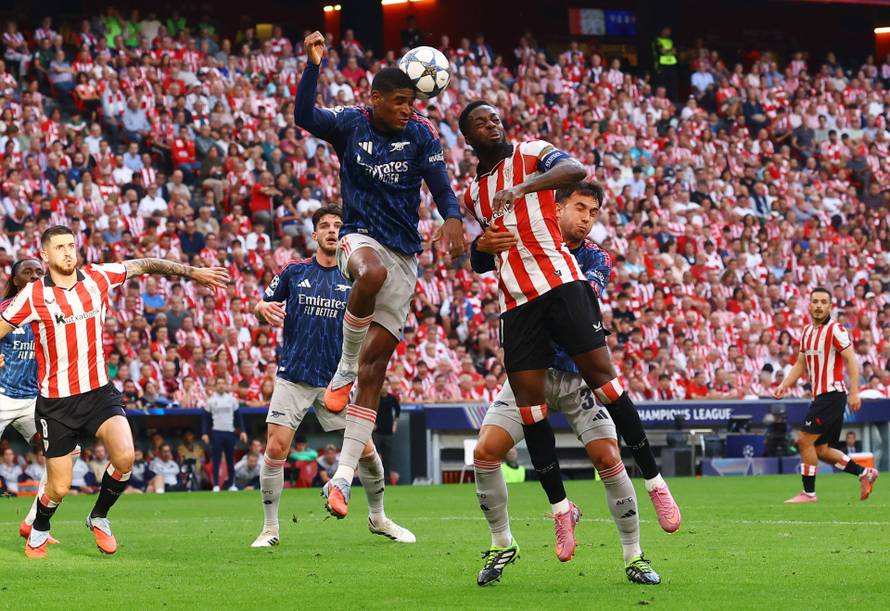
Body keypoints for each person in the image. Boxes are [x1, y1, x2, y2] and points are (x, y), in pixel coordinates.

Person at [459, 101, 677, 562]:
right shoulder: (474, 195)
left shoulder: (535, 157)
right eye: (482, 121)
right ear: (469, 138)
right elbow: (481, 258)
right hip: (517, 306)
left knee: (608, 401)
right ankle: (556, 513)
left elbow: (575, 167)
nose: (494, 123)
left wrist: (521, 187)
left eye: (498, 117)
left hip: (565, 329)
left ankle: (652, 494)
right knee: (515, 427)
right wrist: (481, 245)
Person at [295, 31, 465, 519]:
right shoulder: (350, 124)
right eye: (399, 102)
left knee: (377, 373)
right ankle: (343, 366)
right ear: (374, 100)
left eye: (413, 101)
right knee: (365, 275)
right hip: (361, 237)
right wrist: (313, 67)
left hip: (405, 256)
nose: (408, 109)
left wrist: (451, 217)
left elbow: (440, 185)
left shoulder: (422, 134)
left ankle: (343, 480)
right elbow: (305, 117)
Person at [469, 181, 660, 585]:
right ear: (554, 208)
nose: (587, 219)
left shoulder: (595, 258)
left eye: (593, 212)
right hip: (529, 376)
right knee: (484, 453)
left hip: (576, 379)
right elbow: (479, 259)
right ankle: (502, 542)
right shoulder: (523, 243)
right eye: (580, 208)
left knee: (609, 458)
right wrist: (480, 246)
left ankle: (634, 555)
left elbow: (580, 297)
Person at [0, 225, 229, 558]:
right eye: (60, 247)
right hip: (55, 404)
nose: (68, 252)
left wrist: (193, 272)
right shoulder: (33, 295)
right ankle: (40, 525)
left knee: (125, 457)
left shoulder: (97, 278)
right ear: (45, 255)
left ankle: (99, 516)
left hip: (98, 394)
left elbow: (146, 263)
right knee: (59, 486)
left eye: (72, 245)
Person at [250, 205, 414, 547]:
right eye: (324, 226)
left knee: (366, 451)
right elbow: (262, 303)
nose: (331, 230)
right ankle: (269, 529)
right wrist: (262, 307)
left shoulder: (356, 276)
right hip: (293, 375)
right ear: (313, 235)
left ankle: (379, 518)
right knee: (276, 447)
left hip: (337, 381)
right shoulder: (294, 272)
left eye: (338, 225)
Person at [774, 288, 879, 503]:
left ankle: (809, 494)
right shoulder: (806, 332)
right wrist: (785, 384)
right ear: (810, 305)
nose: (819, 305)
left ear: (830, 306)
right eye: (815, 301)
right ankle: (864, 473)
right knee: (820, 449)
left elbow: (851, 360)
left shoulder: (836, 330)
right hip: (822, 397)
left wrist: (855, 392)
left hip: (832, 394)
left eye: (824, 301)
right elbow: (801, 363)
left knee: (803, 440)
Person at [1, 259, 78, 544]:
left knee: (67, 453)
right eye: (27, 272)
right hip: (1, 394)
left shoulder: (52, 308)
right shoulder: (5, 308)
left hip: (33, 398)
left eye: (38, 271)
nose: (34, 275)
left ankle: (33, 523)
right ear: (16, 280)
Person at [202, 377, 247, 492]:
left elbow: (238, 417)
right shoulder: (211, 400)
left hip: (230, 432)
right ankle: (216, 484)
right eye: (219, 383)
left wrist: (242, 431)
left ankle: (232, 484)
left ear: (227, 385)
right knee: (216, 459)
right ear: (215, 386)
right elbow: (206, 418)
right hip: (217, 432)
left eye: (223, 383)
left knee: (230, 459)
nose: (221, 385)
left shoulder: (232, 400)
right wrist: (205, 433)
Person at [374, 380, 401, 478]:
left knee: (387, 457)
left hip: (388, 432)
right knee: (375, 456)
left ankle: (386, 480)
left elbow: (398, 411)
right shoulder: (375, 397)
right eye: (382, 384)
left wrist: (395, 424)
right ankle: (376, 478)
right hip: (377, 432)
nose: (384, 387)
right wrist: (372, 423)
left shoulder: (392, 398)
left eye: (386, 384)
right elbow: (370, 409)